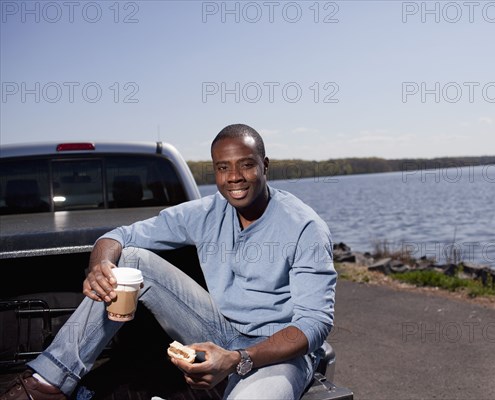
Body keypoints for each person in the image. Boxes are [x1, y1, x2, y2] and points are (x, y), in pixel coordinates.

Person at [1, 124, 337, 400]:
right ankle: (48, 383)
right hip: (218, 331)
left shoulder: (304, 227)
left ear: (265, 166)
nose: (234, 177)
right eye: (223, 167)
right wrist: (98, 265)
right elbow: (120, 236)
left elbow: (315, 324)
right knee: (131, 260)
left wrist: (237, 360)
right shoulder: (207, 212)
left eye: (246, 164)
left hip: (279, 354)